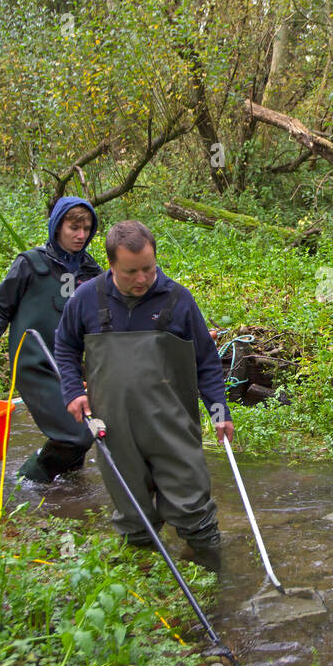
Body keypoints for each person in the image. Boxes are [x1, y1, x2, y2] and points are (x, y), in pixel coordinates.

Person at [54, 220, 233, 572]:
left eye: (148, 269)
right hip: (113, 430)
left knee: (194, 510)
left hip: (172, 429)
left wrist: (219, 412)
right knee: (133, 518)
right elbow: (65, 346)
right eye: (130, 272)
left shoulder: (179, 300)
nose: (142, 279)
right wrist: (73, 390)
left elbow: (207, 363)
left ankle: (212, 581)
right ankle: (146, 589)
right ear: (111, 266)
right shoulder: (86, 298)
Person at [0, 196, 101, 482]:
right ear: (56, 227)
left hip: (71, 367)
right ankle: (26, 481)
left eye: (86, 228)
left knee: (86, 430)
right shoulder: (30, 264)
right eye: (74, 227)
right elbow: (0, 308)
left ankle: (67, 490)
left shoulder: (90, 271)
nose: (81, 235)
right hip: (33, 365)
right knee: (78, 432)